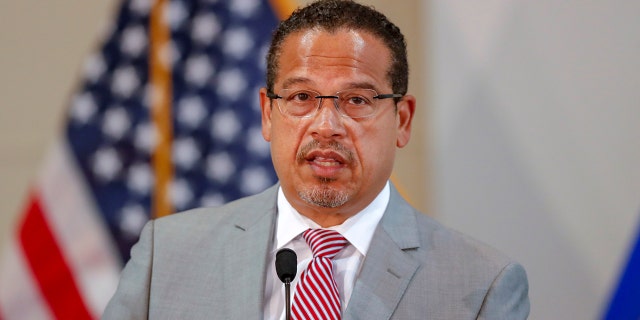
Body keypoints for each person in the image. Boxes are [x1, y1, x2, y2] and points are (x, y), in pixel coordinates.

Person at [102, 0, 530, 319]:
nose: (326, 125)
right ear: (268, 114)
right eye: (302, 97)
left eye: (358, 99)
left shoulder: (482, 285)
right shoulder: (169, 254)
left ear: (402, 120)